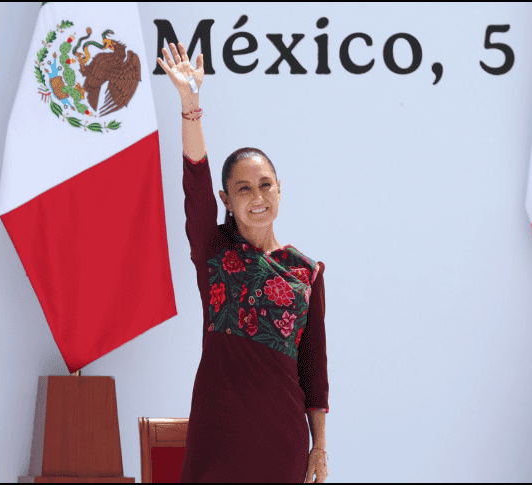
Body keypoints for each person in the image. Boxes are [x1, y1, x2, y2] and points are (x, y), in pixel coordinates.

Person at [157, 42, 329, 483]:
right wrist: (190, 105)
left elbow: (313, 371)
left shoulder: (306, 273)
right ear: (226, 200)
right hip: (218, 442)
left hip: (283, 446)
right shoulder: (214, 252)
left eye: (265, 185)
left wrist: (319, 447)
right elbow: (195, 183)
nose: (258, 197)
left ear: (279, 189)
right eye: (244, 189)